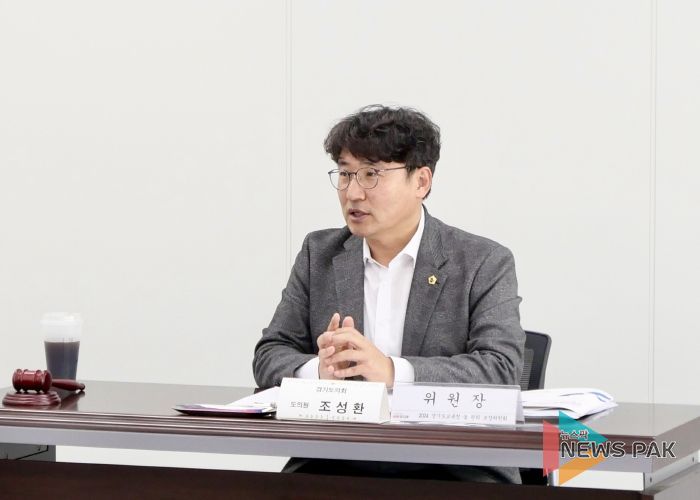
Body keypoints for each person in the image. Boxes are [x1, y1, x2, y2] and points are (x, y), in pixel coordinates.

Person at [253, 104, 525, 483]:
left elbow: (501, 369)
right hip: (338, 461)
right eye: (345, 174)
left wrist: (392, 372)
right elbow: (270, 354)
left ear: (421, 182)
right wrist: (319, 371)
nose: (353, 193)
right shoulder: (320, 254)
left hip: (454, 465)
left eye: (371, 175)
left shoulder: (482, 261)